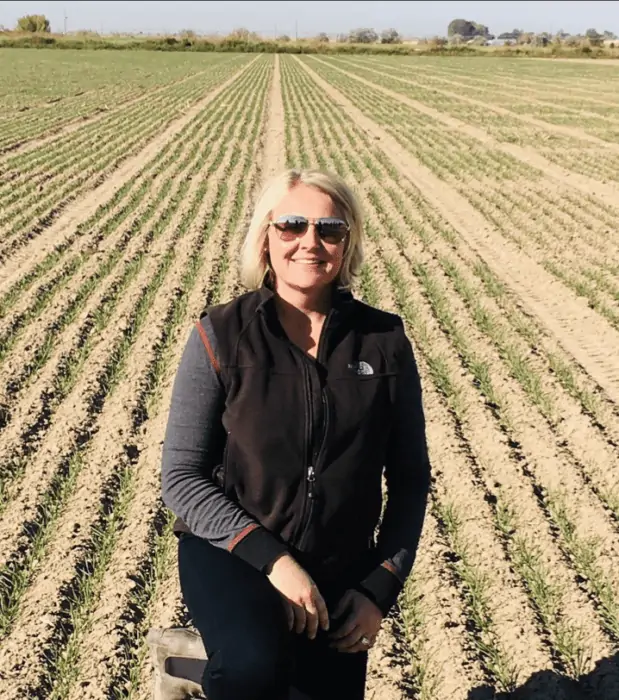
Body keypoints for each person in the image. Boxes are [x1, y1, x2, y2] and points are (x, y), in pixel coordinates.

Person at [159, 168, 432, 700]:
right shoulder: (221, 334)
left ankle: (191, 665)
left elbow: (410, 480)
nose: (311, 242)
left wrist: (378, 589)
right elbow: (182, 479)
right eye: (291, 225)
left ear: (347, 242)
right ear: (266, 237)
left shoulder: (384, 344)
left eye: (330, 229)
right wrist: (275, 562)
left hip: (338, 561)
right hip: (233, 552)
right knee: (251, 669)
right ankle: (207, 674)